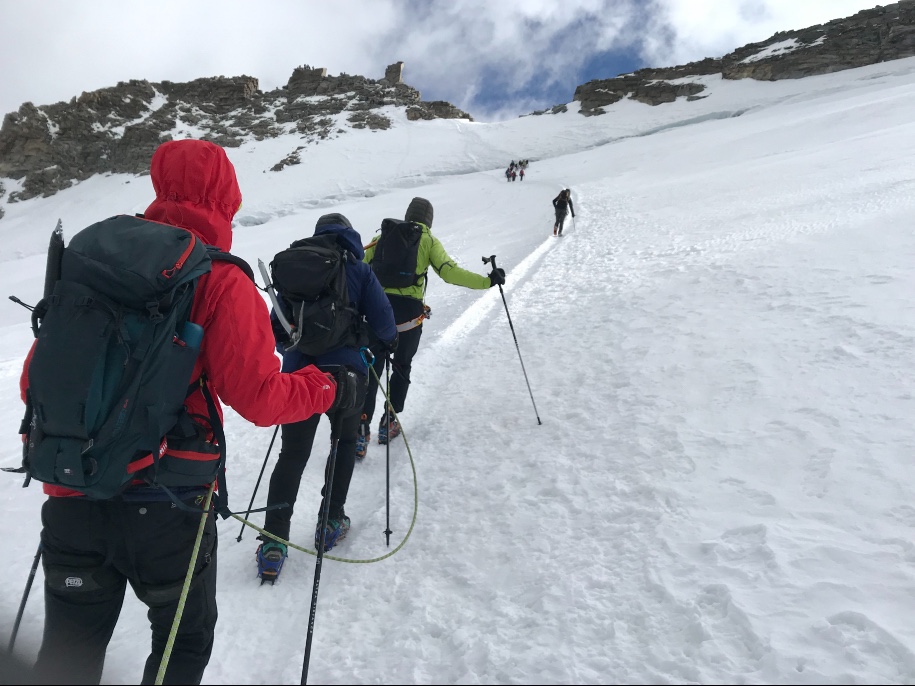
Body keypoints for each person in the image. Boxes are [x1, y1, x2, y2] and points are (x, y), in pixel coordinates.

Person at [18, 139, 347, 685]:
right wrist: (325, 388)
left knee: (66, 659)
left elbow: (35, 382)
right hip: (168, 507)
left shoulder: (94, 263)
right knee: (181, 646)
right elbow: (260, 399)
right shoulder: (219, 278)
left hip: (74, 493)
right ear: (228, 197)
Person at [257, 213, 397, 577]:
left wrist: (295, 352)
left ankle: (273, 540)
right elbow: (384, 322)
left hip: (298, 377)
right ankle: (330, 520)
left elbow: (276, 325)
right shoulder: (357, 268)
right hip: (345, 376)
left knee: (292, 454)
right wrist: (380, 341)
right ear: (349, 233)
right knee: (344, 443)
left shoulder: (294, 265)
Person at [356, 197, 505, 455]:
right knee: (401, 366)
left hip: (377, 312)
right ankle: (389, 421)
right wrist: (486, 281)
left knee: (372, 371)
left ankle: (360, 428)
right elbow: (449, 272)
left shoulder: (383, 235)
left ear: (407, 214)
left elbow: (360, 266)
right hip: (409, 318)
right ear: (428, 221)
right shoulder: (428, 239)